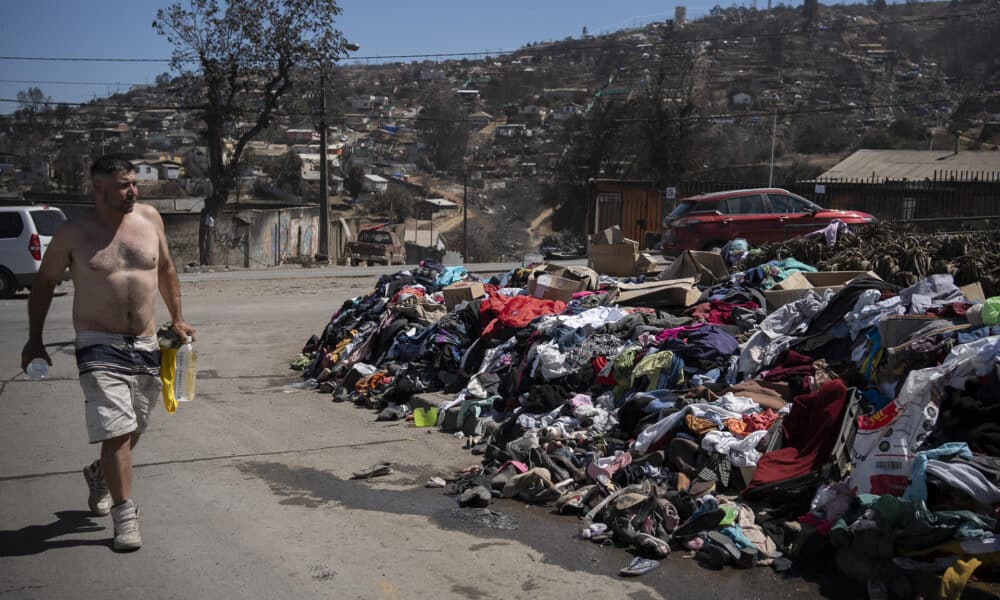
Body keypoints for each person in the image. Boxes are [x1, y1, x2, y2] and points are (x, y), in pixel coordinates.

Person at [21, 155, 195, 552]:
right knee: (116, 431)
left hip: (148, 342)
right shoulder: (73, 233)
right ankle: (125, 516)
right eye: (123, 185)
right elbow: (45, 285)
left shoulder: (151, 219)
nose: (132, 191)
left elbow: (166, 269)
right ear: (98, 187)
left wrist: (179, 318)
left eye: (134, 183)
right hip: (98, 343)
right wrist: (35, 340)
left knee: (134, 427)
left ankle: (101, 473)